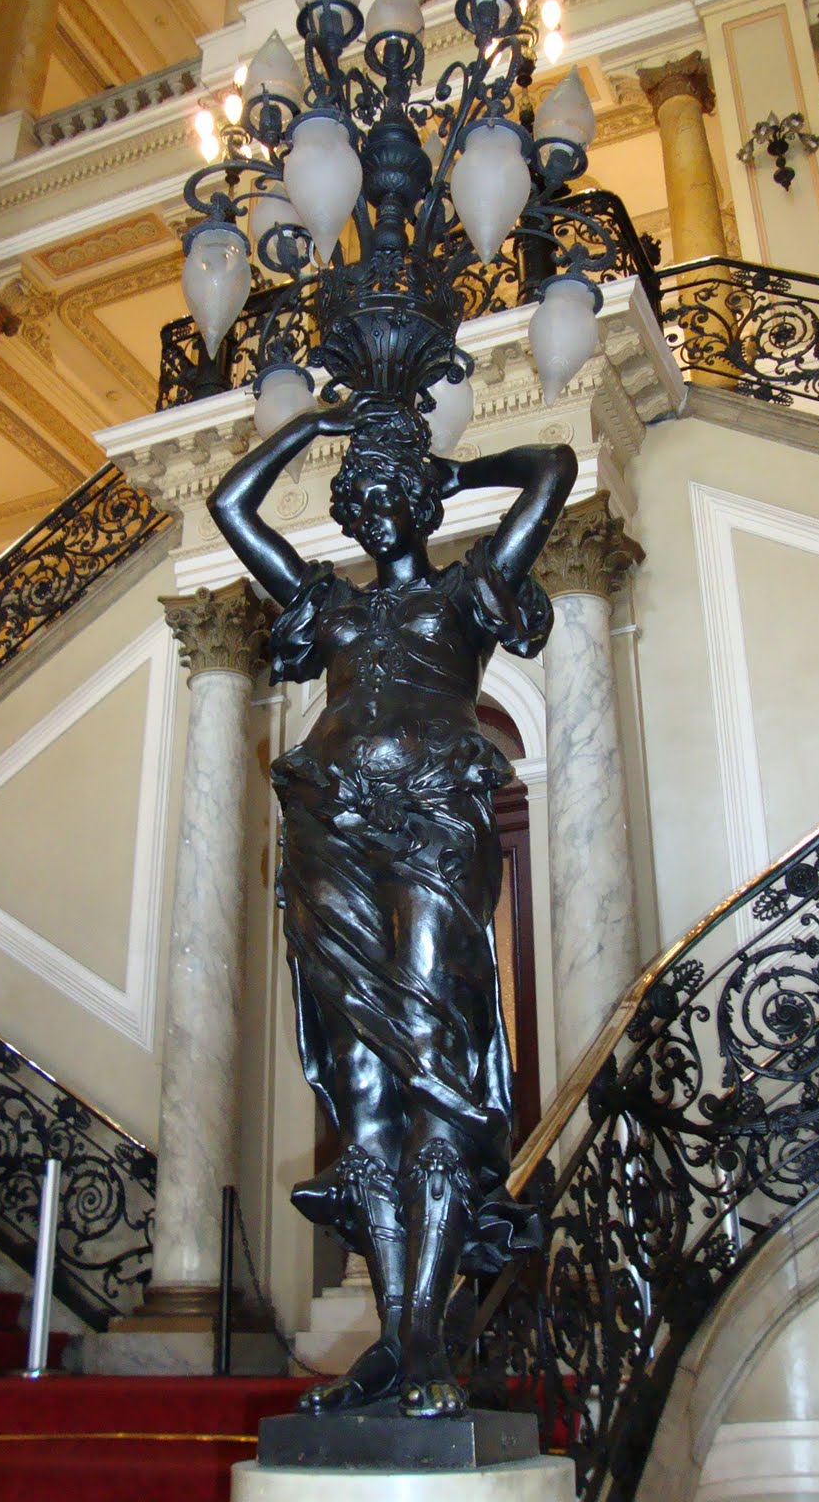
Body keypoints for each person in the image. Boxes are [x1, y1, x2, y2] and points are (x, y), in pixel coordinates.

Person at [208, 391, 576, 1418]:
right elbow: (233, 508)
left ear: (419, 501)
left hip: (432, 832)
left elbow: (552, 466)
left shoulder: (467, 594)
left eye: (387, 493)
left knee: (433, 1067)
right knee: (361, 1089)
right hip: (330, 835)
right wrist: (306, 429)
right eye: (357, 498)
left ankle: (424, 1342)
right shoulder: (326, 605)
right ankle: (398, 1335)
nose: (370, 510)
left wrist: (461, 471)